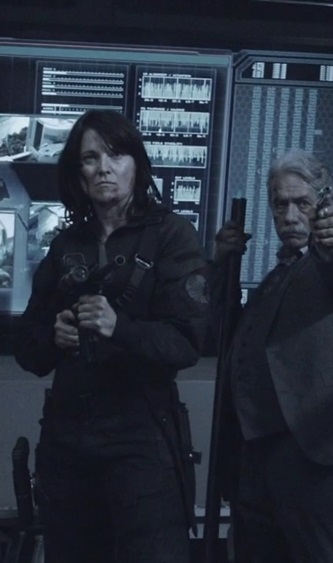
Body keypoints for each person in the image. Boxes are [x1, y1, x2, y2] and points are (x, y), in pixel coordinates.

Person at [14, 109, 209, 562]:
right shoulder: (66, 245)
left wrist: (119, 328)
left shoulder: (172, 236)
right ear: (78, 174)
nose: (104, 167)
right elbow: (28, 348)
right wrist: (55, 336)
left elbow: (185, 343)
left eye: (116, 154)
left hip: (142, 441)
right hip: (67, 443)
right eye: (90, 158)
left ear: (136, 165)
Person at [211, 148, 333, 563]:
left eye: (302, 203)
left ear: (323, 204)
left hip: (317, 456)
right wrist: (221, 265)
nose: (290, 215)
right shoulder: (273, 280)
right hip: (255, 460)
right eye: (280, 204)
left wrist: (332, 244)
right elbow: (223, 336)